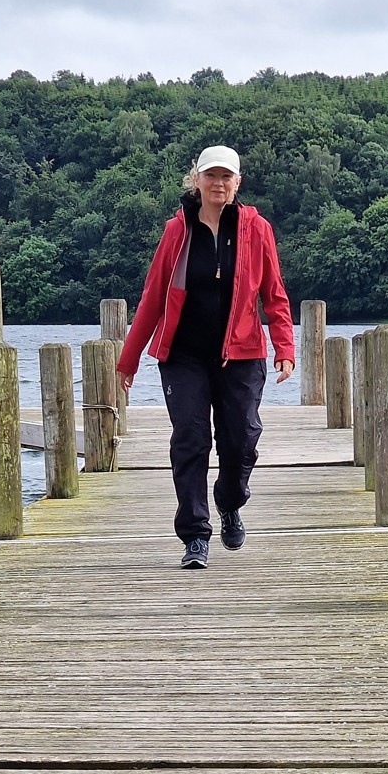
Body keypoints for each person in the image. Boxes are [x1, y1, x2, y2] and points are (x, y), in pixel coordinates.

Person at [116, 145, 295, 569]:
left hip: (243, 353)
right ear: (196, 179)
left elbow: (274, 293)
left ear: (237, 183)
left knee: (241, 440)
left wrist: (285, 347)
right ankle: (195, 536)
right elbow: (153, 297)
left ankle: (230, 502)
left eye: (226, 177)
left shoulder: (257, 228)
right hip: (184, 356)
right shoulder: (176, 230)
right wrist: (128, 360)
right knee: (191, 440)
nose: (218, 183)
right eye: (210, 175)